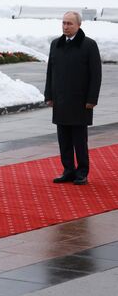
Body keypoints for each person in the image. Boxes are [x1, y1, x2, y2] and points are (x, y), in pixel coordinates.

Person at [44, 11, 102, 185]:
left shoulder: (89, 45)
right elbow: (50, 72)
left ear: (79, 25)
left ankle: (82, 172)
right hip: (60, 100)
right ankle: (68, 170)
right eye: (63, 23)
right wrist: (49, 95)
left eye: (69, 23)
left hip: (80, 101)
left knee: (79, 140)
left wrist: (92, 99)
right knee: (64, 139)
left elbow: (96, 74)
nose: (65, 26)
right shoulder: (56, 44)